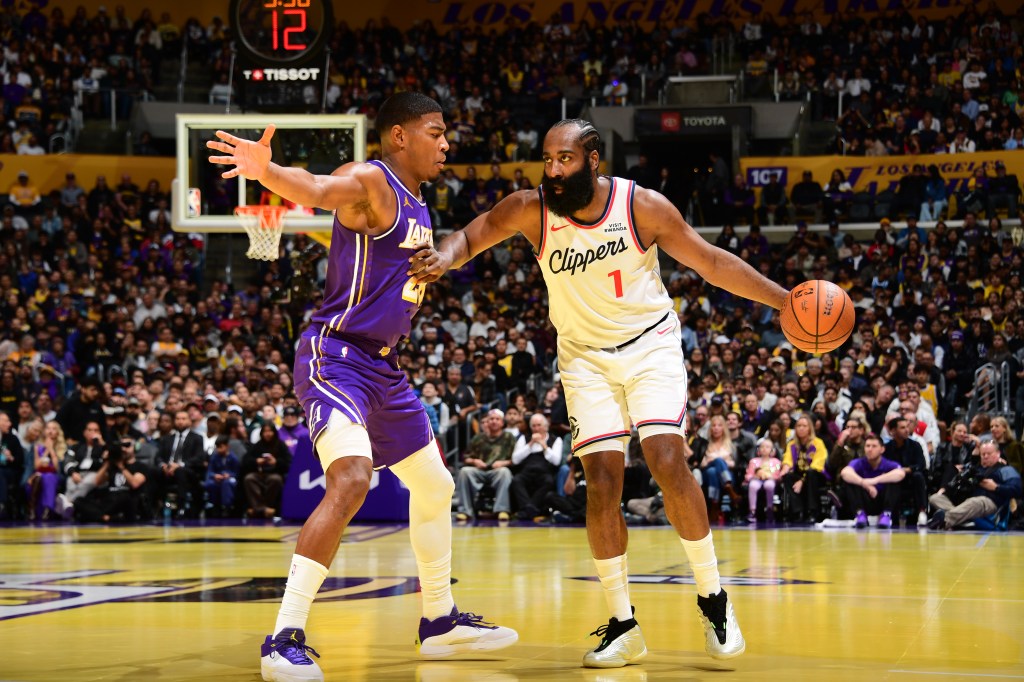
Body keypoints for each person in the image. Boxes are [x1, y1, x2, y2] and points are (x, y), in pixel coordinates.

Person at [411, 118, 790, 665]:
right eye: (547, 160)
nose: (554, 171)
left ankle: (713, 598)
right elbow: (472, 235)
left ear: (593, 161)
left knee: (665, 456)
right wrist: (445, 257)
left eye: (565, 160)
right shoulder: (531, 208)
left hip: (648, 345)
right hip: (584, 357)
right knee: (602, 481)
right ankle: (623, 622)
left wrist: (784, 301)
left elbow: (710, 262)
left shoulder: (643, 207)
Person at [207, 91, 516, 681]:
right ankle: (284, 638)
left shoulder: (419, 207)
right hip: (337, 356)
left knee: (435, 485)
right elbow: (321, 189)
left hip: (384, 368)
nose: (446, 143)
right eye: (435, 131)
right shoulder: (371, 180)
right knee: (350, 478)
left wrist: (430, 267)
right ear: (399, 135)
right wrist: (267, 171)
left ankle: (440, 621)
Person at [927, 440, 1022, 529]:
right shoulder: (975, 467)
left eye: (989, 454)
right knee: (935, 498)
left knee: (975, 502)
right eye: (983, 454)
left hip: (989, 501)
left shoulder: (1005, 470)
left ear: (998, 454)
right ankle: (963, 521)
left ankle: (944, 520)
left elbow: (1018, 489)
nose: (985, 456)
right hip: (966, 500)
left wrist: (996, 487)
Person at [454, 408, 515, 521]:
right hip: (480, 470)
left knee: (504, 472)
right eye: (491, 419)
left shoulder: (509, 437)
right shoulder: (478, 438)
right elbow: (466, 457)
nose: (494, 421)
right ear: (487, 422)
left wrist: (504, 462)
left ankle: (502, 510)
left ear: (502, 422)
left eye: (497, 419)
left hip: (498, 471)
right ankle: (465, 511)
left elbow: (515, 459)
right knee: (464, 471)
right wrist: (474, 461)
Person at [839, 433, 906, 529]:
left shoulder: (888, 463)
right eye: (867, 446)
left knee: (894, 481)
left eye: (874, 446)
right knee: (850, 481)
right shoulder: (859, 462)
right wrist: (864, 483)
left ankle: (886, 514)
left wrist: (874, 481)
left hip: (882, 500)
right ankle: (860, 514)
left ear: (882, 449)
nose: (870, 449)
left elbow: (900, 473)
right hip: (864, 499)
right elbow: (845, 472)